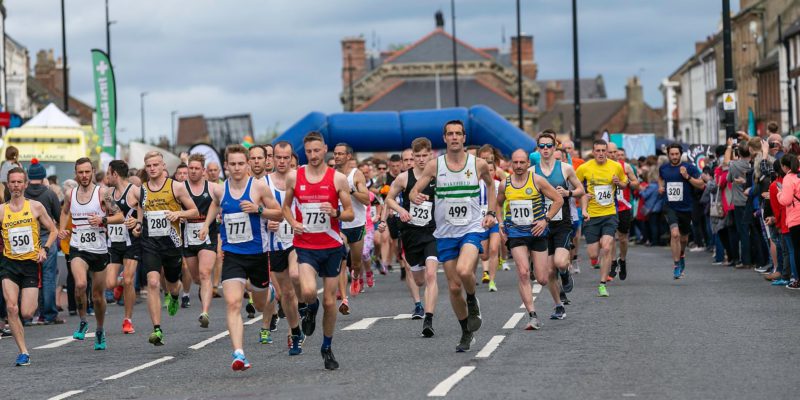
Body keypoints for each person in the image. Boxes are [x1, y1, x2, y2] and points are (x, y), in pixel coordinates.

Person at [410, 120, 496, 352]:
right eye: (450, 134)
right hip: (446, 232)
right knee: (454, 287)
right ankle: (466, 332)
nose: (455, 137)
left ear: (464, 137)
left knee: (465, 271)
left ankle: (472, 299)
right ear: (445, 138)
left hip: (471, 228)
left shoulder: (478, 164)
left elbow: (491, 186)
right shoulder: (434, 166)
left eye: (459, 133)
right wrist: (414, 196)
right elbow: (414, 190)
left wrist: (491, 212)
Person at [198, 144, 283, 371]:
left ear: (247, 165)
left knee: (263, 302)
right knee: (233, 302)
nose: (236, 168)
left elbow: (280, 213)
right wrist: (206, 225)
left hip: (257, 255)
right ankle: (239, 353)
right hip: (232, 255)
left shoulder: (259, 189)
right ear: (226, 166)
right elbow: (215, 205)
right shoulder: (219, 189)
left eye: (240, 164)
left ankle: (270, 293)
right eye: (232, 164)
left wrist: (258, 210)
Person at [282, 131, 355, 370]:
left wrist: (335, 213)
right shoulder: (295, 177)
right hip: (306, 246)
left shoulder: (337, 179)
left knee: (330, 302)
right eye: (309, 151)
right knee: (309, 291)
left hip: (332, 247)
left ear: (325, 149)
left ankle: (327, 347)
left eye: (317, 150)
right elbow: (286, 208)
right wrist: (293, 223)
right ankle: (310, 310)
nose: (313, 155)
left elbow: (349, 213)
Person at [128, 151, 198, 346]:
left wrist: (180, 215)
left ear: (163, 166)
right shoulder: (141, 189)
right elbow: (142, 213)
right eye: (149, 166)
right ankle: (157, 330)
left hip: (172, 242)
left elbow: (195, 211)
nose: (152, 169)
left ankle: (175, 295)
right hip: (150, 242)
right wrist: (138, 226)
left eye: (155, 165)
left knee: (173, 280)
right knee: (152, 282)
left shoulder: (175, 187)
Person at [58, 158, 124, 350]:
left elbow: (119, 216)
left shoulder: (102, 193)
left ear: (93, 172)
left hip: (100, 250)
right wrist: (62, 229)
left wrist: (103, 219)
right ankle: (83, 320)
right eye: (81, 172)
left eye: (87, 172)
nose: (84, 176)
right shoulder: (70, 194)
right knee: (80, 283)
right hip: (78, 247)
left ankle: (100, 329)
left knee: (97, 296)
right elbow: (64, 212)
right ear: (75, 173)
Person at [0, 167, 58, 366]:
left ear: (25, 184)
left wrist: (45, 249)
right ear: (8, 185)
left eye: (19, 182)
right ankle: (23, 351)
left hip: (31, 265)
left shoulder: (35, 207)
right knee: (11, 307)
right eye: (12, 182)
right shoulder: (2, 210)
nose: (16, 186)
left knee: (26, 312)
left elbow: (53, 230)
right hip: (9, 264)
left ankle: (23, 342)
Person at [384, 137, 439, 336]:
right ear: (412, 157)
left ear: (431, 155)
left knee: (432, 274)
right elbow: (389, 199)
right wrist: (401, 210)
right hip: (410, 234)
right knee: (419, 280)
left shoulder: (436, 176)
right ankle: (421, 297)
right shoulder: (404, 178)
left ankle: (429, 319)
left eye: (425, 155)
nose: (422, 160)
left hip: (432, 232)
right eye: (418, 156)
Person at [533, 132, 584, 317]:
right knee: (547, 272)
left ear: (555, 148)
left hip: (562, 223)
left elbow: (581, 190)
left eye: (549, 146)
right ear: (538, 149)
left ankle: (565, 273)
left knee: (560, 262)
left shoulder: (565, 168)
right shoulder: (532, 171)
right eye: (542, 146)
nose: (546, 149)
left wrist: (567, 194)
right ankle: (558, 305)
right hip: (541, 225)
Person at [265, 141, 305, 353]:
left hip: (297, 240)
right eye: (277, 157)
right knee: (286, 294)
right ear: (272, 159)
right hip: (275, 243)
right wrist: (267, 221)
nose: (281, 161)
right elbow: (255, 211)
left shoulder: (301, 180)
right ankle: (295, 331)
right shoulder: (262, 183)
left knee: (296, 276)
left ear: (292, 159)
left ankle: (306, 303)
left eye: (285, 158)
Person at [575, 139, 628, 297]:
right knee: (593, 253)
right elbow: (576, 187)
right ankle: (595, 258)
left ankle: (603, 284)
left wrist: (619, 183)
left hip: (610, 213)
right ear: (593, 152)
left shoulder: (615, 166)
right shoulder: (584, 168)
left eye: (603, 151)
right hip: (591, 215)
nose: (600, 154)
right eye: (597, 151)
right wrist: (583, 195)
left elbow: (625, 184)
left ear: (607, 152)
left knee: (606, 247)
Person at [181, 154, 220, 329]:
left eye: (197, 168)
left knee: (205, 274)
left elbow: (222, 202)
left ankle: (204, 312)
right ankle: (201, 289)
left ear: (203, 171)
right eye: (191, 168)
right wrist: (179, 217)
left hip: (207, 236)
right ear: (187, 169)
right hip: (188, 239)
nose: (194, 171)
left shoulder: (212, 188)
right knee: (196, 277)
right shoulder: (180, 188)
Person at [24, 159, 62, 325]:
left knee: (26, 277)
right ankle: (49, 314)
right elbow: (58, 216)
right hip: (48, 239)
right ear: (43, 175)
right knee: (48, 278)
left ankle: (25, 315)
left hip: (26, 240)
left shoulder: (23, 194)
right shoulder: (49, 194)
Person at [657, 144, 705, 279]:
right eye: (671, 154)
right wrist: (661, 187)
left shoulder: (689, 168)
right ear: (668, 155)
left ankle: (681, 254)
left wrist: (687, 177)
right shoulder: (664, 168)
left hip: (686, 208)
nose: (674, 157)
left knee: (683, 238)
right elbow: (660, 178)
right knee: (675, 234)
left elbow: (701, 184)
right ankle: (676, 265)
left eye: (676, 154)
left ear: (680, 154)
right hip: (669, 206)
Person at [104, 160, 141, 334]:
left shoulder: (134, 191)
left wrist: (138, 221)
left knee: (128, 280)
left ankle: (128, 319)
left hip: (131, 242)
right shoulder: (108, 193)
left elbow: (145, 208)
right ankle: (120, 283)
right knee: (110, 284)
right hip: (114, 242)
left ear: (115, 174)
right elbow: (115, 215)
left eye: (108, 173)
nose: (106, 177)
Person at [333, 143, 371, 299]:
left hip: (356, 223)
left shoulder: (356, 175)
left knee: (355, 263)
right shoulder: (331, 175)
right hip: (339, 224)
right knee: (340, 259)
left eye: (340, 154)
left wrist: (352, 191)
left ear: (349, 156)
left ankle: (355, 277)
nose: (337, 156)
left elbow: (367, 200)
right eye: (335, 153)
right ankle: (341, 292)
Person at [607, 143, 639, 280]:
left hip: (623, 206)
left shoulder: (625, 167)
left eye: (615, 152)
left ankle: (623, 260)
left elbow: (636, 183)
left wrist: (626, 183)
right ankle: (613, 262)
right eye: (610, 152)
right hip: (607, 206)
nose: (613, 154)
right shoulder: (601, 167)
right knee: (611, 237)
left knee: (623, 238)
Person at [477, 145, 501, 292]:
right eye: (488, 170)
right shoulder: (476, 183)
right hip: (480, 222)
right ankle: (484, 272)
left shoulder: (498, 185)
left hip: (495, 222)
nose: (489, 173)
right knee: (484, 253)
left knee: (493, 249)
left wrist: (502, 222)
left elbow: (500, 205)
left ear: (494, 171)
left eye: (492, 170)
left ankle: (492, 281)